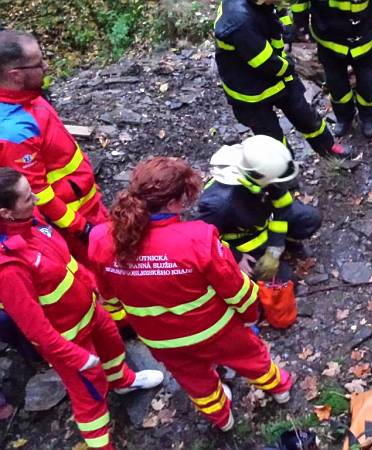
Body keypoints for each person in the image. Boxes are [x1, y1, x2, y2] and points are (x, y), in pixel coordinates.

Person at [88, 157, 293, 432]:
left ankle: (223, 420)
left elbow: (109, 295)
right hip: (216, 330)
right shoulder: (198, 238)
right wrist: (249, 317)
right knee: (253, 360)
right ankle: (280, 391)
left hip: (161, 339)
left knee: (197, 383)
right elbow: (236, 289)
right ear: (174, 203)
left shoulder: (101, 238)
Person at [0, 167, 163, 450]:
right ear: (6, 213)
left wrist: (92, 286)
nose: (37, 199)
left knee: (113, 349)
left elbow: (66, 264)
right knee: (90, 397)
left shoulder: (32, 221)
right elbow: (34, 327)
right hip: (69, 338)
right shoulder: (8, 267)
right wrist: (74, 356)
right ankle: (101, 445)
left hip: (90, 310)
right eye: (28, 198)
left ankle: (123, 381)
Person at [0, 30, 106, 265]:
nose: (46, 66)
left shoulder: (26, 95)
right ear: (15, 75)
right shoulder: (13, 131)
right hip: (71, 220)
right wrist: (82, 228)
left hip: (85, 200)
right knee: (101, 272)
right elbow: (37, 194)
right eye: (38, 63)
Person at [215, 0, 351, 158]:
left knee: (306, 116)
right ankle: (286, 172)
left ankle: (328, 147)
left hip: (280, 76)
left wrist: (286, 32)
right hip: (251, 91)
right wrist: (289, 66)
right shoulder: (239, 20)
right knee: (272, 139)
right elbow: (266, 63)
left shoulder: (260, 4)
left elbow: (278, 12)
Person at [196, 135, 321, 280]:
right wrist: (236, 257)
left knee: (310, 219)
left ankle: (285, 243)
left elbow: (283, 207)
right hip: (243, 243)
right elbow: (204, 240)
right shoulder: (219, 205)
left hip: (262, 223)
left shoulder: (267, 174)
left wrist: (274, 250)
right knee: (285, 281)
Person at [292, 0, 372, 138]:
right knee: (336, 85)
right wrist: (301, 25)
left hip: (364, 38)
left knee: (367, 83)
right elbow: (300, 2)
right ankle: (344, 117)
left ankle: (369, 117)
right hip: (329, 39)